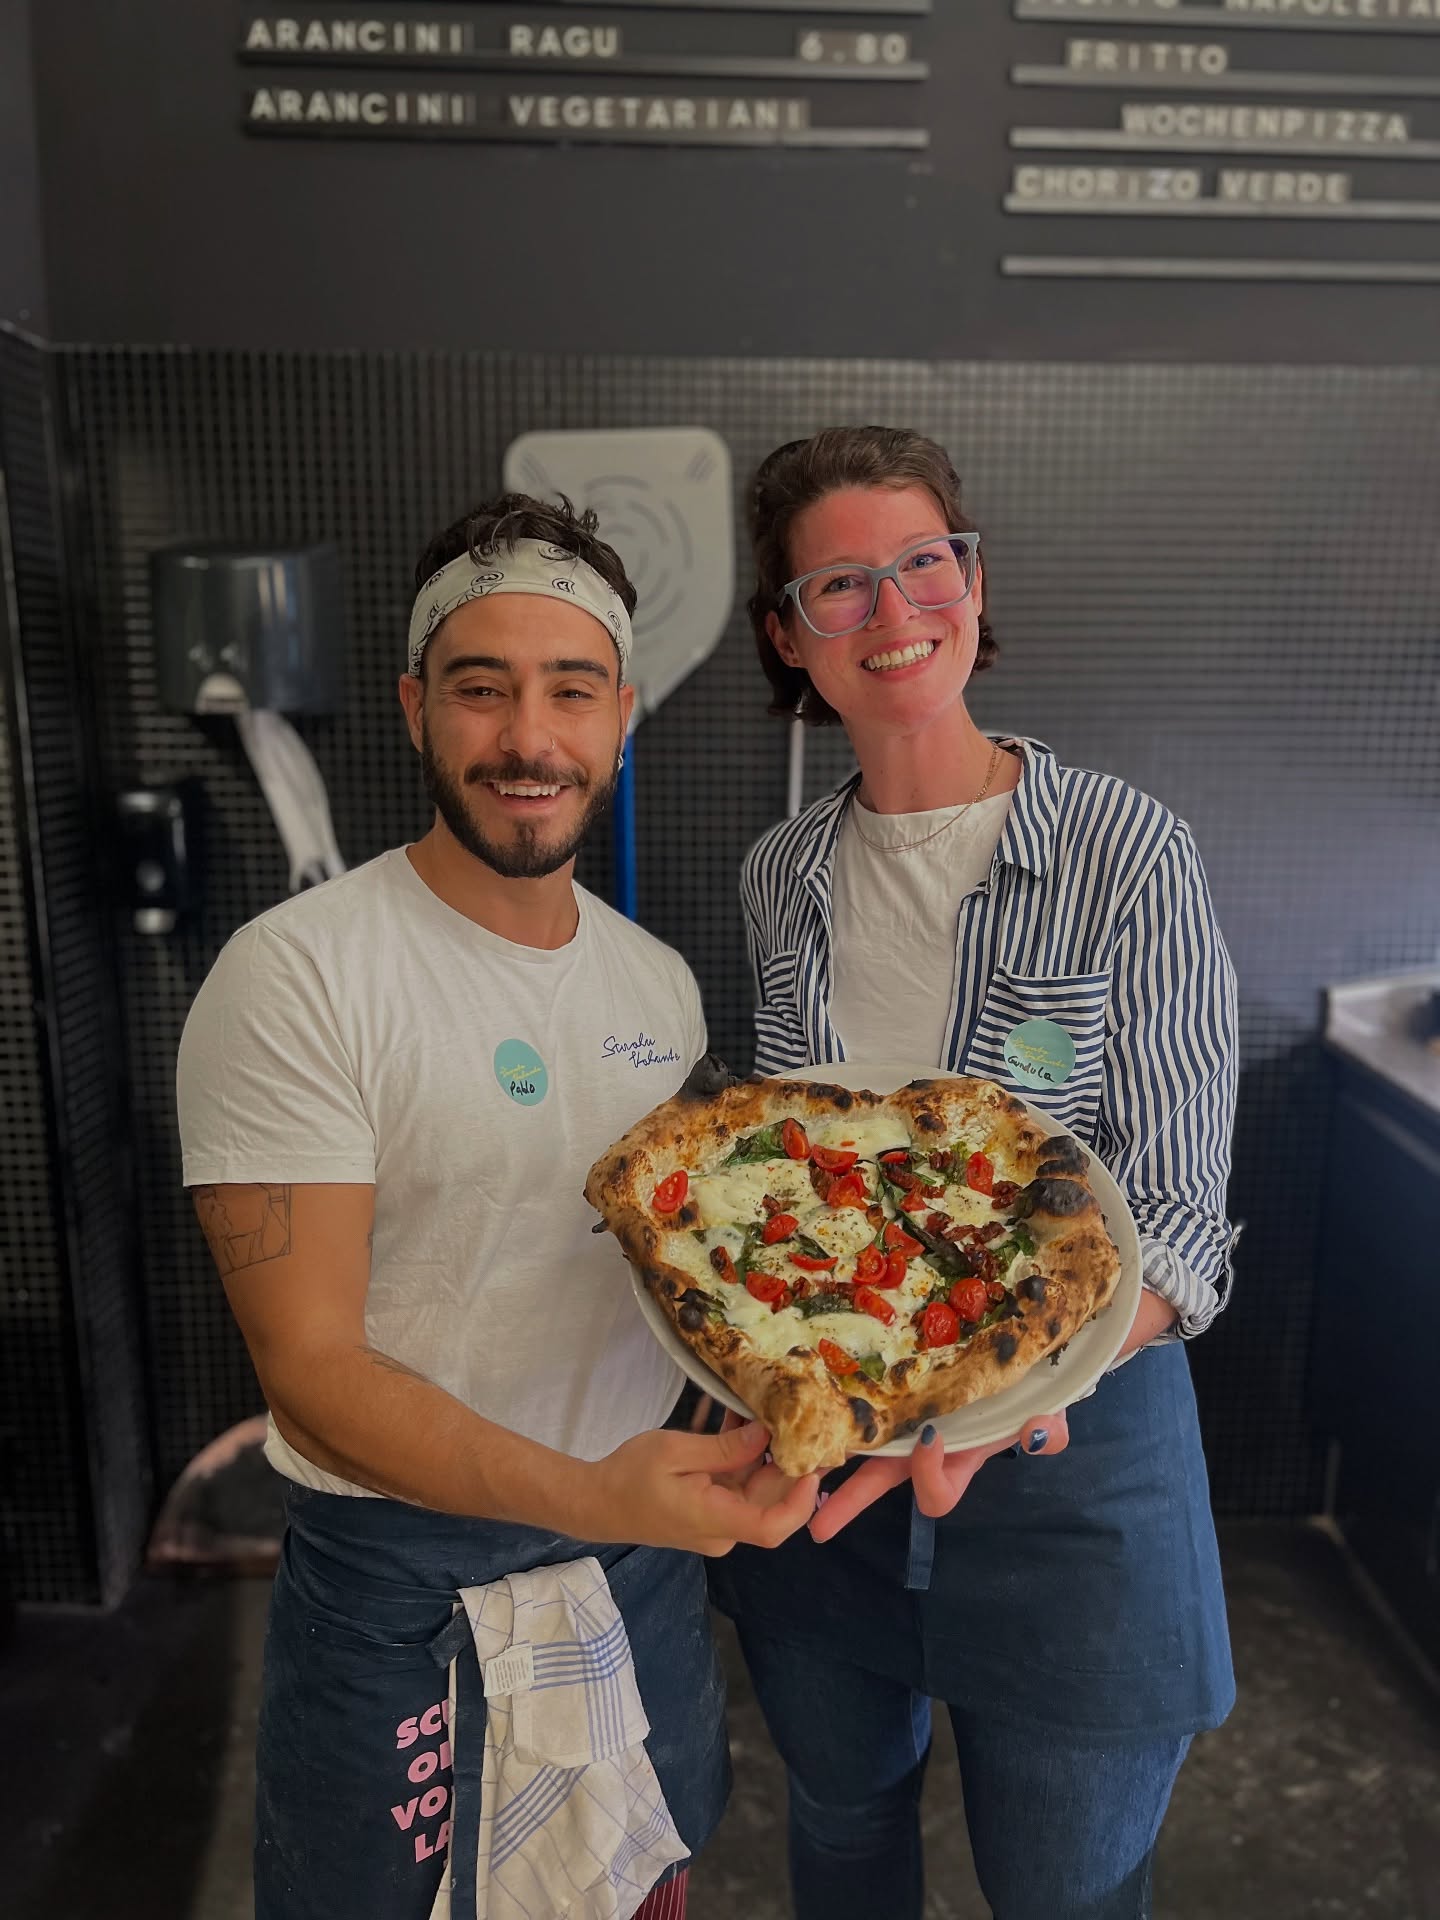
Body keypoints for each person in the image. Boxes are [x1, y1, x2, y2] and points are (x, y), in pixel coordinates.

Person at [176, 492, 818, 1920]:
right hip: (409, 1595)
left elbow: (667, 1282)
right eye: (483, 687)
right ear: (416, 706)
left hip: (636, 1566)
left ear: (623, 714)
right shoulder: (301, 977)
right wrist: (595, 1491)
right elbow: (315, 1372)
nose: (530, 738)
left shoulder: (657, 983)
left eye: (570, 689)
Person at [708, 427, 1238, 1920]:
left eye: (922, 563)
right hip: (828, 1468)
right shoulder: (781, 880)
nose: (893, 611)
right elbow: (797, 1185)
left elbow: (1186, 1221)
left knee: (1067, 1890)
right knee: (842, 1820)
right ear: (787, 633)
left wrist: (992, 1391)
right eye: (840, 585)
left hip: (1075, 1481)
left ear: (970, 578)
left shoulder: (1128, 854)